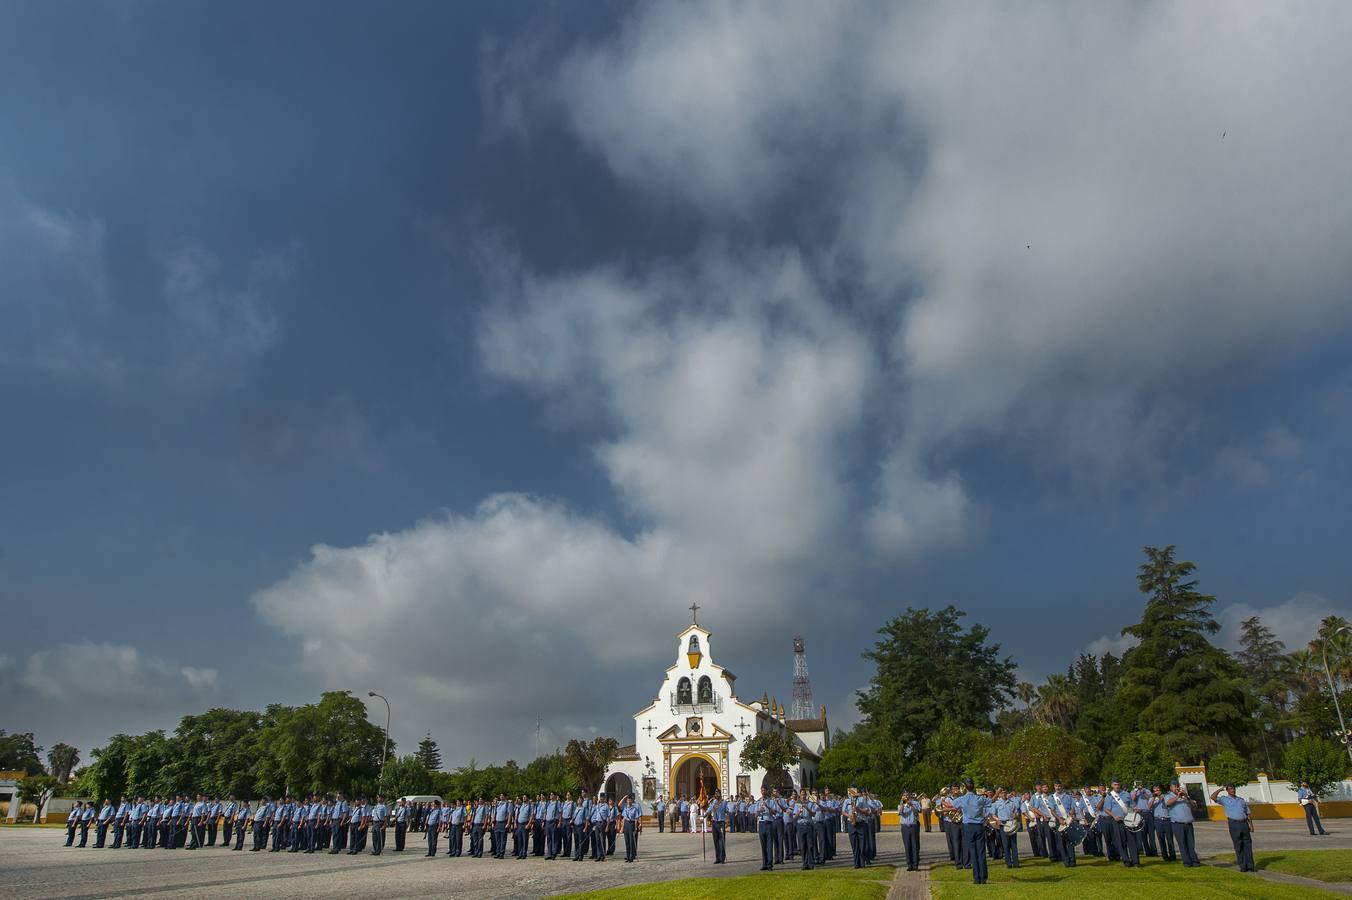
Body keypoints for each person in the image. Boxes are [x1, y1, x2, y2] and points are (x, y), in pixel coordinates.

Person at [945, 778, 992, 885]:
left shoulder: (962, 799)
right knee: (981, 852)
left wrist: (943, 800)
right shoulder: (979, 798)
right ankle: (983, 877)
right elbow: (990, 800)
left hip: (968, 827)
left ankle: (976, 878)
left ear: (965, 787)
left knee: (973, 852)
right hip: (979, 826)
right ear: (973, 786)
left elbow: (950, 805)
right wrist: (997, 792)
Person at [1210, 784, 1256, 872]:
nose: (1233, 790)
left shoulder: (1241, 800)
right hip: (1234, 824)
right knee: (1238, 845)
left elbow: (1248, 813)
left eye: (1233, 788)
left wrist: (1251, 825)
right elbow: (1213, 797)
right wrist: (1220, 789)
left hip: (1244, 824)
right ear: (1227, 790)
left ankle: (1251, 865)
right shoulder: (1224, 799)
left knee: (1247, 845)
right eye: (1230, 789)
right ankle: (1243, 866)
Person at [1103, 778, 1139, 867]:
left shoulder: (1126, 794)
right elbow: (1106, 809)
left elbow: (1132, 805)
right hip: (1117, 821)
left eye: (1118, 784)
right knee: (1121, 842)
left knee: (1132, 841)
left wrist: (1135, 808)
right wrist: (1114, 816)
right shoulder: (1109, 796)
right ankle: (1126, 860)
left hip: (1128, 820)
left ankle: (1136, 861)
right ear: (1112, 785)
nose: (1117, 786)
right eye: (1115, 784)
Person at [1164, 781, 1200, 867]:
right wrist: (1177, 796)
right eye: (1174, 786)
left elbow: (1194, 806)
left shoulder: (1185, 797)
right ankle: (1187, 862)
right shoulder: (1168, 796)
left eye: (1177, 786)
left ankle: (1195, 861)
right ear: (1170, 788)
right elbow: (1168, 803)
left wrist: (1187, 797)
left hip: (1188, 823)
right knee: (1182, 844)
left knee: (1191, 844)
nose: (1176, 787)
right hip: (1177, 824)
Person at [992, 790, 1019, 869]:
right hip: (1003, 824)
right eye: (1002, 793)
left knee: (1014, 844)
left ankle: (1016, 863)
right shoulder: (996, 803)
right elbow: (993, 814)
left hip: (1011, 823)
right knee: (1006, 844)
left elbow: (1016, 812)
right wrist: (997, 820)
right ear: (999, 794)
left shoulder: (1011, 803)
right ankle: (1008, 863)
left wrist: (1015, 815)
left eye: (1005, 793)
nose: (1003, 794)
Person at [1150, 785, 1176, 862]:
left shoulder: (1166, 796)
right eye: (1155, 790)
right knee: (1161, 839)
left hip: (1167, 820)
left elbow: (1167, 804)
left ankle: (1172, 855)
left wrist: (1161, 797)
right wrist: (1154, 798)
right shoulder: (1152, 798)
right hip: (1158, 820)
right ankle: (1165, 856)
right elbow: (1149, 807)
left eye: (1158, 790)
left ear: (1161, 790)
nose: (1156, 792)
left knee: (1170, 839)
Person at [898, 790, 921, 872]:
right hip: (905, 827)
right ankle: (909, 865)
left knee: (915, 846)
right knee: (907, 846)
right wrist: (902, 804)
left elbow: (917, 813)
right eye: (904, 795)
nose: (906, 797)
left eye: (907, 795)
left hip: (913, 826)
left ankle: (915, 865)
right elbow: (900, 813)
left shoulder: (915, 803)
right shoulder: (900, 804)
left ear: (910, 796)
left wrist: (911, 805)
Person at [757, 788, 778, 871]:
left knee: (769, 845)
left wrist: (767, 807)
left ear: (767, 791)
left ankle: (770, 864)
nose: (763, 792)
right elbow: (756, 814)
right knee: (763, 845)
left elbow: (775, 812)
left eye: (765, 790)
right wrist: (760, 810)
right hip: (761, 823)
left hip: (769, 823)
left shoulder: (771, 801)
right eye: (762, 791)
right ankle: (764, 863)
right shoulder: (758, 801)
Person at [709, 791, 728, 864]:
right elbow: (710, 809)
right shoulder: (713, 802)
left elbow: (727, 811)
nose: (717, 795)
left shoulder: (724, 802)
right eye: (716, 793)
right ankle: (718, 858)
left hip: (721, 823)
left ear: (720, 794)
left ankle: (722, 858)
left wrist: (727, 821)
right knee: (716, 841)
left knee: (722, 841)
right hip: (714, 823)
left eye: (718, 794)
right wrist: (705, 815)